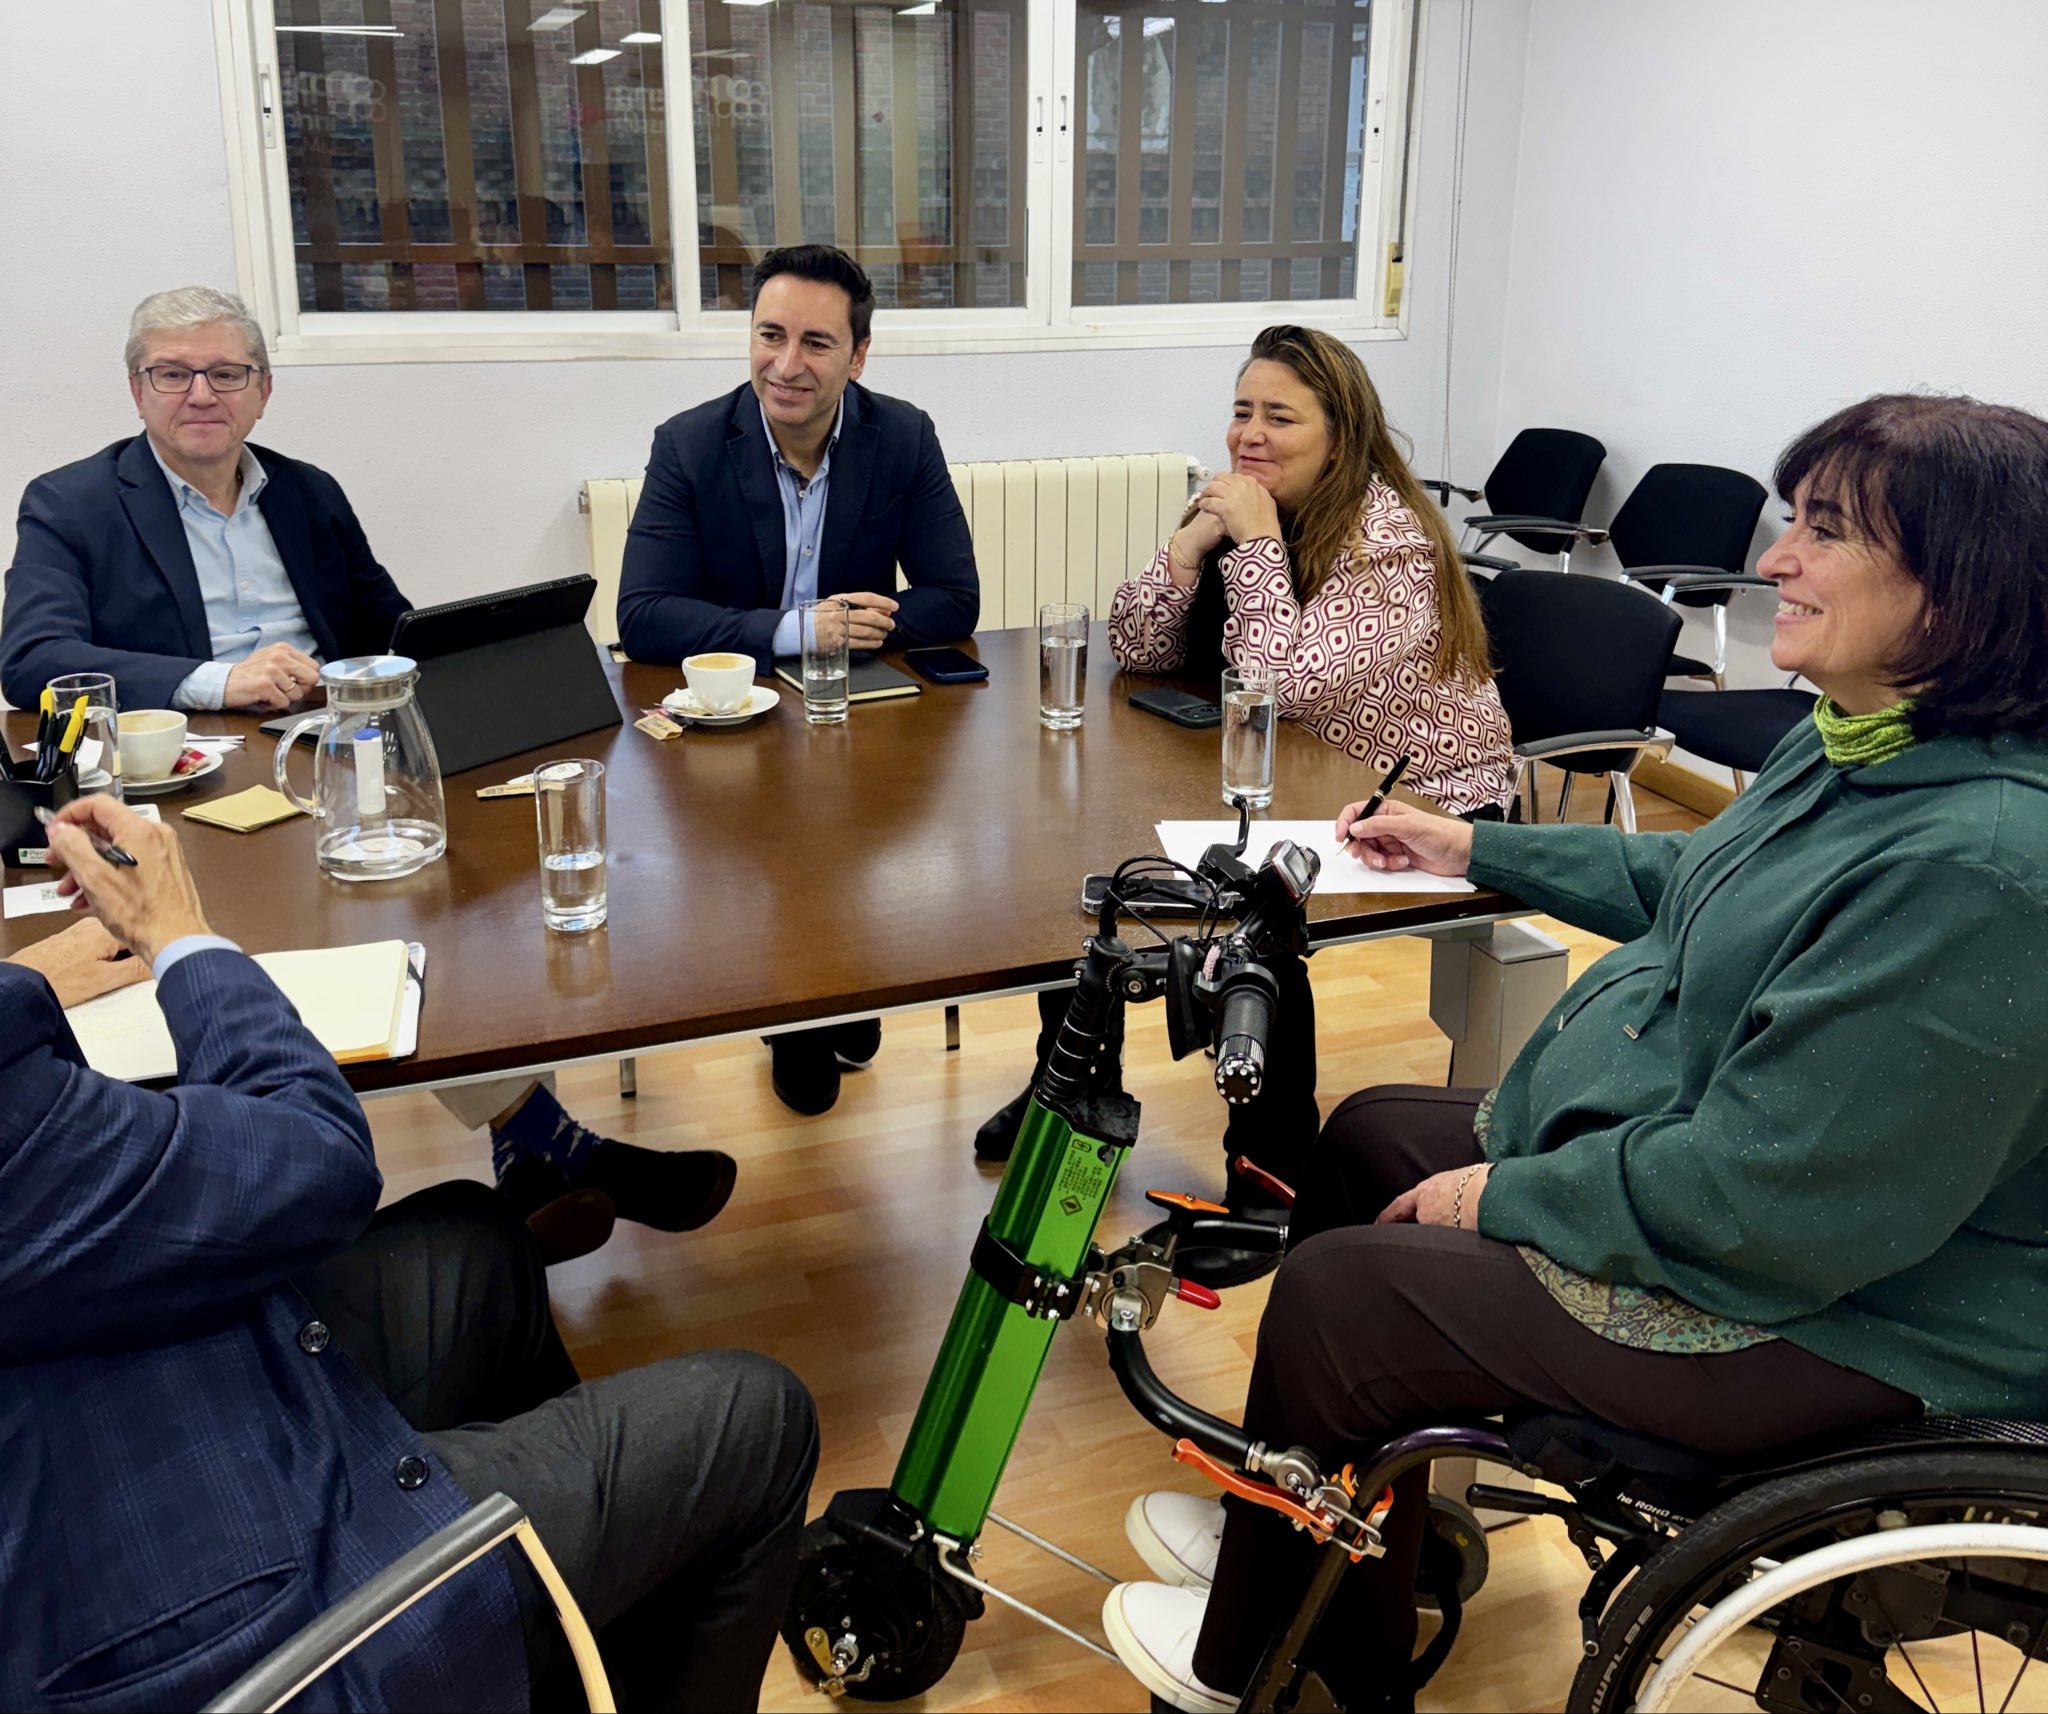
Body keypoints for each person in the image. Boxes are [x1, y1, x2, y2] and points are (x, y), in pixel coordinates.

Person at [1101, 392, 2048, 1713]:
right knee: (1374, 1129)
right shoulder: (1867, 746)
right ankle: (1333, 1530)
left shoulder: (1980, 866)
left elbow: (1773, 1205)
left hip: (1864, 1322)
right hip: (1769, 1188)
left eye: (1824, 533)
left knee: (1353, 1295)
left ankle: (1297, 1656)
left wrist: (1514, 1193)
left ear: (1961, 593)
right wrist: (1471, 844)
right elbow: (1699, 881)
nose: (1776, 559)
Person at [1, 794, 818, 1712]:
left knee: (478, 1245)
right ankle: (484, 1610)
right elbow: (315, 1157)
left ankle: (553, 1641)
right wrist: (178, 931)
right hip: (221, 1629)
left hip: (76, 1411)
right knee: (760, 1418)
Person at [0, 285, 731, 1261]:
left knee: (446, 903)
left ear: (262, 389)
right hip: (186, 802)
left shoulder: (306, 493)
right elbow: (32, 654)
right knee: (314, 942)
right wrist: (222, 678)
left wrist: (467, 663)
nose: (200, 392)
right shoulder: (72, 502)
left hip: (330, 774)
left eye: (225, 372)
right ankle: (523, 1150)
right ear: (137, 388)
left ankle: (534, 1145)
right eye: (173, 372)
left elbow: (391, 627)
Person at [975, 328, 1515, 1275]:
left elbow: (1275, 685)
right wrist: (1190, 543)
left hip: (1429, 812)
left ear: (1339, 437)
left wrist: (1255, 544)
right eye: (1241, 410)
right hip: (1302, 781)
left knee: (1259, 910)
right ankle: (1067, 1091)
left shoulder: (1387, 544)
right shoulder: (1264, 516)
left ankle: (1271, 1184)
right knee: (1089, 870)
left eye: (1279, 417)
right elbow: (1139, 645)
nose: (1248, 436)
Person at [617, 244, 980, 1116]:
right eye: (770, 335)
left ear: (857, 357)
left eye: (817, 343)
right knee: (773, 855)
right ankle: (802, 1014)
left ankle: (842, 989)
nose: (787, 364)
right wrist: (795, 628)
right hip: (734, 722)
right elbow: (643, 615)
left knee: (875, 836)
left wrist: (858, 625)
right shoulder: (691, 444)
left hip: (857, 719)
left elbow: (955, 596)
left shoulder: (903, 435)